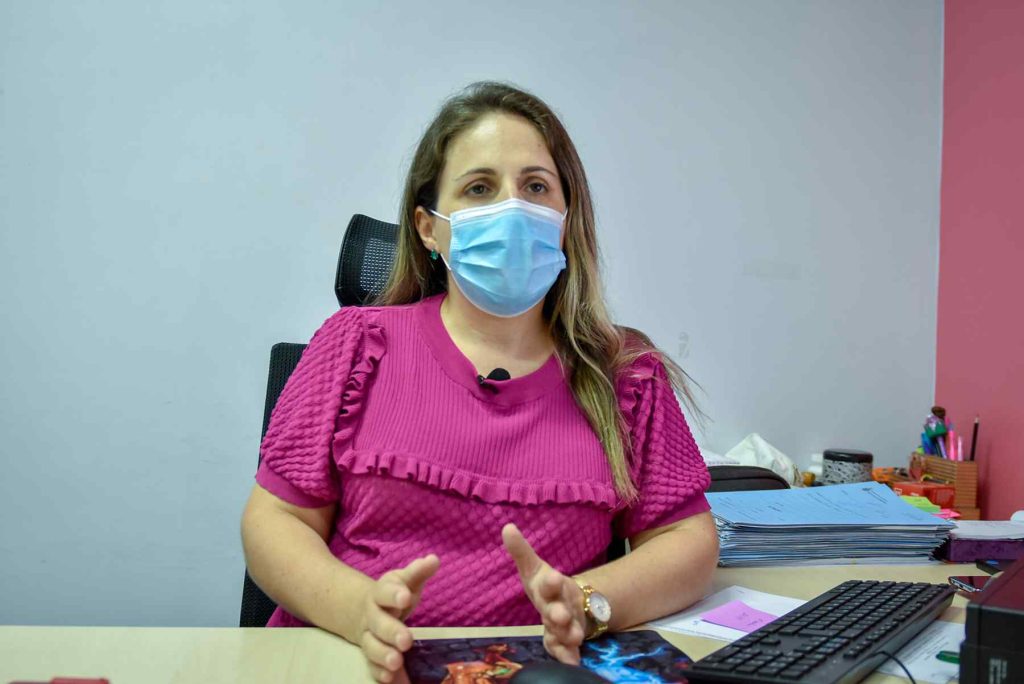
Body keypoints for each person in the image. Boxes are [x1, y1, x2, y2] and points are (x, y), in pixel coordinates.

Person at [241, 81, 718, 684]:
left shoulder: (625, 372)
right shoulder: (356, 343)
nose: (512, 210)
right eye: (479, 188)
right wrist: (357, 610)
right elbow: (274, 522)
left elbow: (687, 540)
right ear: (428, 228)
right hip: (354, 664)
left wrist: (588, 601)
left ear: (565, 219)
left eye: (536, 187)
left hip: (539, 674)